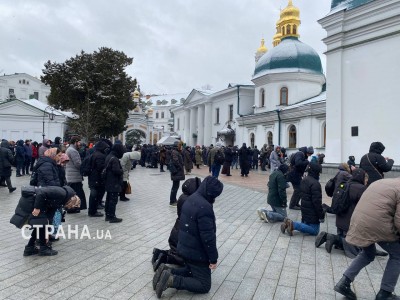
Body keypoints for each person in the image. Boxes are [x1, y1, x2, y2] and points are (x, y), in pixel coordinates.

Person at [153, 176, 223, 298]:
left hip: (184, 249)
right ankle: (171, 280)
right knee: (204, 285)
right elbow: (208, 238)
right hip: (196, 253)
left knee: (191, 271)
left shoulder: (190, 198)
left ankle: (168, 271)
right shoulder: (205, 207)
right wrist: (213, 259)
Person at [334, 178, 400, 300]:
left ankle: (344, 283)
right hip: (377, 224)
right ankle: (385, 293)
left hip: (357, 220)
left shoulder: (382, 181)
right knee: (397, 255)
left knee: (368, 253)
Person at [152, 177, 202, 272]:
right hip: (181, 238)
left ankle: (160, 253)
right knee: (187, 260)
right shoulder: (192, 201)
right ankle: (165, 258)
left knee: (178, 252)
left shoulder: (183, 197)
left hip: (176, 233)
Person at [10, 185, 77, 256]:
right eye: (69, 206)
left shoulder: (62, 198)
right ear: (71, 201)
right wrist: (37, 207)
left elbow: (52, 210)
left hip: (35, 201)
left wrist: (48, 222)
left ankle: (29, 248)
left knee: (40, 225)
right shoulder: (61, 193)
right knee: (41, 225)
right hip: (32, 202)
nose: (67, 207)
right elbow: (41, 193)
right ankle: (43, 249)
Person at [281, 162, 324, 236]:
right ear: (316, 172)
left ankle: (288, 224)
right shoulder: (315, 184)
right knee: (315, 231)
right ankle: (293, 225)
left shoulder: (304, 179)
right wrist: (321, 216)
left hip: (304, 211)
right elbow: (317, 202)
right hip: (312, 213)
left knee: (306, 226)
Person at [104, 143, 125, 223]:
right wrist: (121, 170)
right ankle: (111, 216)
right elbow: (116, 170)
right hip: (113, 182)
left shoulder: (109, 156)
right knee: (113, 200)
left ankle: (108, 215)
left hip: (109, 181)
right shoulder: (114, 158)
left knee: (109, 199)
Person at [65, 136, 87, 212]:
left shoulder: (70, 149)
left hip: (72, 175)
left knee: (73, 193)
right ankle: (72, 208)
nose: (80, 143)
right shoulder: (73, 151)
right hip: (74, 176)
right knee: (76, 193)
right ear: (75, 142)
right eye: (78, 142)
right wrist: (83, 166)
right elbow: (78, 164)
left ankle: (73, 208)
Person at [88, 141, 109, 217]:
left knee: (94, 195)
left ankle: (92, 210)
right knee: (94, 195)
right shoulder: (100, 156)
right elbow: (100, 167)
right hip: (97, 178)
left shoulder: (94, 154)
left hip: (93, 178)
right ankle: (92, 211)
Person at [169, 141, 185, 207]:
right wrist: (181, 167)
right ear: (177, 146)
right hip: (176, 172)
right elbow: (176, 161)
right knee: (175, 187)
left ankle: (174, 199)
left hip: (176, 172)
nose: (181, 147)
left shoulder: (176, 152)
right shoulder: (175, 152)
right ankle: (172, 201)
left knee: (176, 186)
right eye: (180, 145)